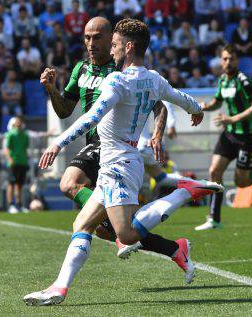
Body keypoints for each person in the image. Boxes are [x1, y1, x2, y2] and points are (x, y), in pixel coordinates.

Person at [24, 18, 222, 306]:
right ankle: (59, 288)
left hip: (118, 164)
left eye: (114, 45)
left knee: (127, 235)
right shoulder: (154, 78)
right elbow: (181, 98)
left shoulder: (118, 79)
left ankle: (184, 191)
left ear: (128, 47)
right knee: (82, 223)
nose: (112, 50)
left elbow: (91, 117)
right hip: (116, 162)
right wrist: (196, 110)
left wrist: (57, 143)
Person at [40, 17, 192, 265]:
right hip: (93, 145)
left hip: (114, 145)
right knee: (107, 229)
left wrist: (157, 134)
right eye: (87, 38)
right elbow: (65, 111)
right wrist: (52, 90)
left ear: (112, 38)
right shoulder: (81, 70)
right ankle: (173, 248)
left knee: (69, 184)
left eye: (98, 37)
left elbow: (159, 106)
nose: (91, 43)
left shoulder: (123, 68)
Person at [195, 45, 252, 231]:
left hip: (247, 137)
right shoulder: (222, 80)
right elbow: (218, 102)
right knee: (214, 171)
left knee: (241, 182)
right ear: (221, 60)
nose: (228, 62)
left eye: (231, 59)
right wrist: (204, 107)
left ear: (237, 61)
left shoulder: (242, 80)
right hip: (229, 135)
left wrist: (232, 119)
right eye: (225, 59)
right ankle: (214, 218)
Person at [5, 116, 30, 213]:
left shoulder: (25, 135)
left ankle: (19, 205)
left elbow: (25, 148)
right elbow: (7, 148)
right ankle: (11, 205)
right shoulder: (10, 134)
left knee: (20, 184)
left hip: (22, 162)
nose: (18, 124)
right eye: (17, 122)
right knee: (11, 184)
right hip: (13, 162)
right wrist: (10, 158)